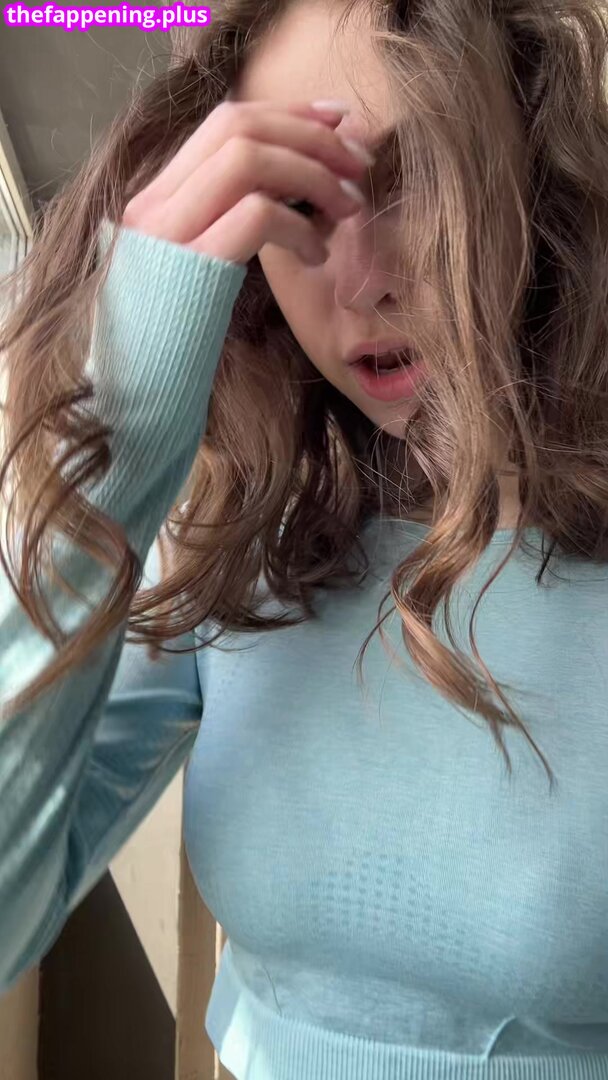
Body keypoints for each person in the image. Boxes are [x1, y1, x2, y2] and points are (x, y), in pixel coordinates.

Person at [1, 0, 608, 1076]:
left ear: (527, 177)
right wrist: (119, 455)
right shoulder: (234, 539)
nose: (363, 278)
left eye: (417, 179)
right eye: (299, 202)